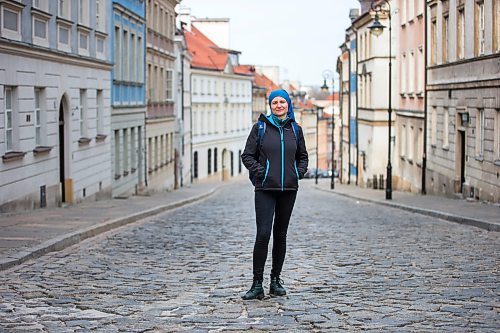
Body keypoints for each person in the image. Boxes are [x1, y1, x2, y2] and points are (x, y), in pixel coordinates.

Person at [240, 89, 308, 300]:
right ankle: (257, 284)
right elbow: (247, 156)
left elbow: (303, 156)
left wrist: (298, 172)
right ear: (270, 105)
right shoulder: (259, 128)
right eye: (275, 102)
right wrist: (263, 172)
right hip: (264, 189)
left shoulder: (295, 129)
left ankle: (275, 281)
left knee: (280, 235)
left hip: (288, 189)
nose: (279, 105)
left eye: (282, 102)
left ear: (288, 104)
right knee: (263, 234)